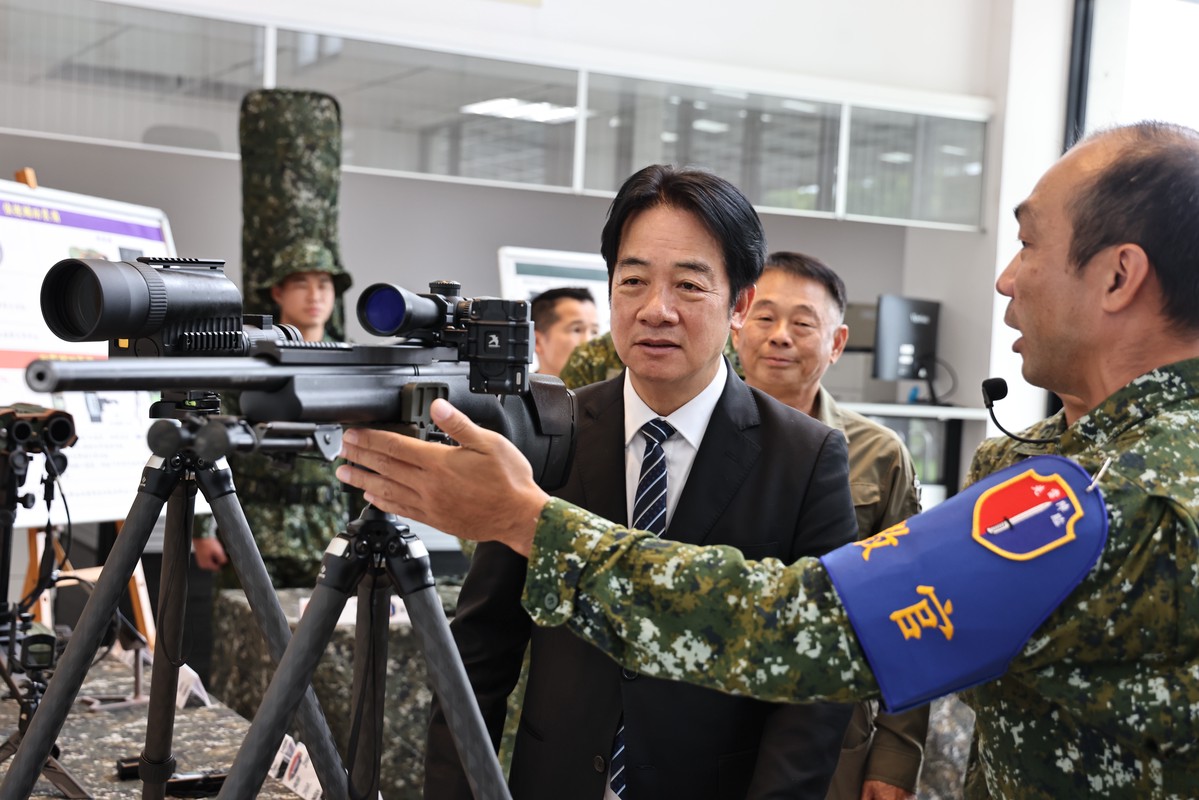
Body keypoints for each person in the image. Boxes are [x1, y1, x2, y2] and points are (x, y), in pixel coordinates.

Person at [338, 121, 1199, 799]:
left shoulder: (1133, 498)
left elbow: (815, 627)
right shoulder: (1072, 458)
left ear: (1118, 276)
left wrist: (529, 522)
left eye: (1029, 244)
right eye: (633, 280)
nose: (1005, 280)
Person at [424, 164, 859, 799]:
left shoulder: (806, 456)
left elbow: (815, 693)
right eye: (633, 281)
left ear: (739, 304)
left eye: (689, 285)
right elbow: (481, 648)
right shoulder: (549, 431)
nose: (657, 310)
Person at [732, 251, 927, 800]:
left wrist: (896, 755)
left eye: (802, 323)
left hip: (831, 726)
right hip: (701, 713)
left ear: (836, 343)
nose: (780, 336)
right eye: (765, 317)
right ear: (736, 324)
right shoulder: (690, 437)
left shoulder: (878, 454)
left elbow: (911, 602)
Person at [531, 286, 600, 377]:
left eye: (594, 332)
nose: (589, 342)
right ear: (537, 341)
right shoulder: (516, 386)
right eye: (577, 330)